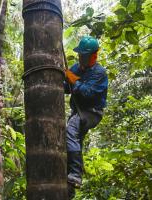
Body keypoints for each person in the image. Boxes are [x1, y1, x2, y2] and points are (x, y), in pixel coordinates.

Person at [64, 36, 108, 199]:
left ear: (94, 56)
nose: (80, 58)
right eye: (79, 55)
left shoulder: (99, 73)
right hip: (78, 112)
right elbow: (67, 88)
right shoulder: (77, 68)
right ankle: (70, 186)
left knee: (71, 130)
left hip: (92, 112)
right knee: (72, 141)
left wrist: (72, 79)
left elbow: (88, 93)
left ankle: (75, 173)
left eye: (84, 55)